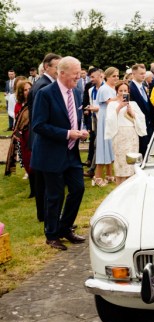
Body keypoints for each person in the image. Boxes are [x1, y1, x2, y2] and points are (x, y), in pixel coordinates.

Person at [30, 56, 89, 251]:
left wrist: (81, 130)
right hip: (51, 153)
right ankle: (52, 234)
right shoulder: (45, 93)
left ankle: (65, 228)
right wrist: (66, 134)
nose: (78, 77)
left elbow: (76, 117)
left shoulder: (78, 92)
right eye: (75, 74)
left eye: (79, 73)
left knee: (78, 189)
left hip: (71, 153)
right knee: (54, 195)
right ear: (61, 73)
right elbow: (38, 125)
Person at [28, 53, 62, 222]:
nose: (60, 70)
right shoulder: (43, 86)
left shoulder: (46, 83)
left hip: (42, 138)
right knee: (44, 182)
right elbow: (39, 118)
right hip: (42, 138)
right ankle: (45, 215)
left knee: (44, 181)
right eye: (57, 67)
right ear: (47, 67)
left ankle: (45, 214)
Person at [105, 81, 147, 186]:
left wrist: (132, 113)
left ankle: (132, 186)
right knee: (121, 163)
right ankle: (119, 186)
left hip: (132, 135)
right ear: (117, 91)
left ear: (128, 91)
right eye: (120, 90)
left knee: (131, 163)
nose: (123, 92)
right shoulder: (112, 105)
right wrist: (119, 107)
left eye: (125, 90)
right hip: (119, 134)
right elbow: (109, 120)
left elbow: (141, 118)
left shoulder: (133, 104)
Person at [94, 67, 119, 187]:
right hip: (105, 118)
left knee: (110, 145)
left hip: (112, 116)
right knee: (103, 145)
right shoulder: (104, 89)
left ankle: (109, 174)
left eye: (117, 76)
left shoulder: (113, 89)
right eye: (113, 76)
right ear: (107, 77)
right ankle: (98, 176)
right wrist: (121, 97)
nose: (116, 78)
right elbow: (110, 102)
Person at [129, 64, 154, 156]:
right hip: (138, 124)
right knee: (141, 150)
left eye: (144, 73)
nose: (143, 75)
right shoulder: (130, 88)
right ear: (134, 74)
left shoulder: (142, 87)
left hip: (148, 123)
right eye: (141, 73)